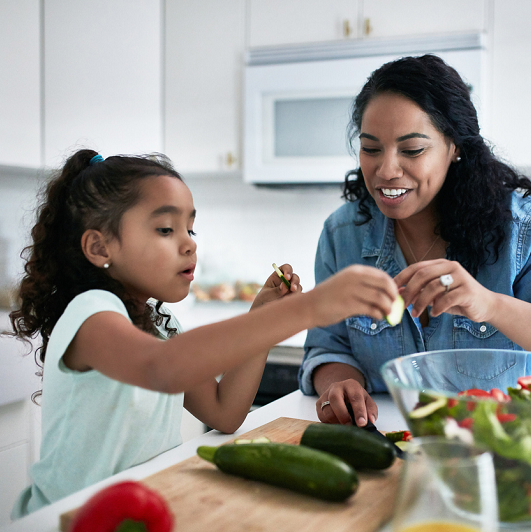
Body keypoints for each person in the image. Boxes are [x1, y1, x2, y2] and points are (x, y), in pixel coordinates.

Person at [8, 149, 399, 517]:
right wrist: (309, 307)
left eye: (191, 230)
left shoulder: (162, 326)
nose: (189, 246)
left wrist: (262, 317)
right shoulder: (91, 313)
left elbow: (224, 412)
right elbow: (160, 368)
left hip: (138, 507)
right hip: (64, 518)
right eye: (165, 229)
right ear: (99, 246)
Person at [299, 54, 531, 429]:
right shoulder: (342, 236)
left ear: (454, 147)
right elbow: (329, 345)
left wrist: (488, 304)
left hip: (502, 446)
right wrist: (339, 383)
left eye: (412, 150)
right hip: (385, 445)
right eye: (371, 148)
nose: (386, 170)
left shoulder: (522, 229)